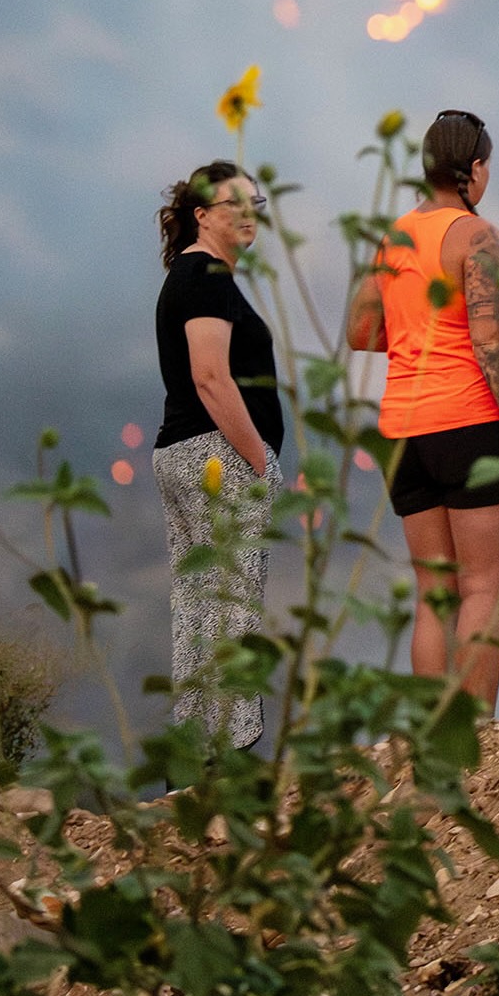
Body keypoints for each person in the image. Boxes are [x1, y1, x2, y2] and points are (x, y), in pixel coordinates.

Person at [343, 112, 499, 706]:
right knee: (483, 589)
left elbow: (359, 329)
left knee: (436, 593)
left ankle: (430, 740)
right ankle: (477, 739)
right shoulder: (475, 235)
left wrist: (415, 334)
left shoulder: (395, 234)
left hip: (403, 430)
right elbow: (487, 339)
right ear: (473, 169)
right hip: (468, 423)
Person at [154, 161, 287, 747]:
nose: (248, 212)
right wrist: (259, 460)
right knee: (232, 608)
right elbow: (211, 378)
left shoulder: (195, 275)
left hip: (184, 454)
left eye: (254, 201)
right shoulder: (206, 275)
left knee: (198, 610)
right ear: (202, 215)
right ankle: (228, 755)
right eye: (233, 202)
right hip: (215, 459)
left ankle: (193, 758)